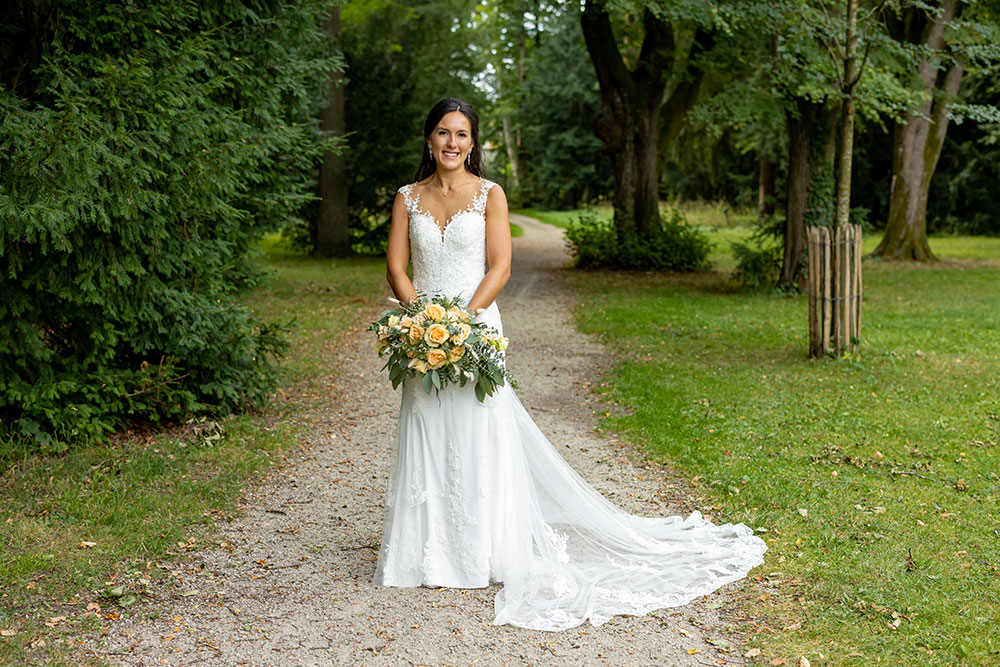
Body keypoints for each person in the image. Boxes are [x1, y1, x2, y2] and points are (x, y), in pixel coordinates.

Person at [373, 97, 766, 632]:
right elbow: (397, 266)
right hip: (423, 332)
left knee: (475, 432)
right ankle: (425, 553)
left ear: (473, 144)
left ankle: (479, 551)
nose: (452, 143)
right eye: (443, 132)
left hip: (476, 322)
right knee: (427, 427)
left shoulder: (490, 195)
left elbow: (501, 265)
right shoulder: (407, 198)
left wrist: (462, 320)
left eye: (462, 135)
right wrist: (420, 319)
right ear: (428, 139)